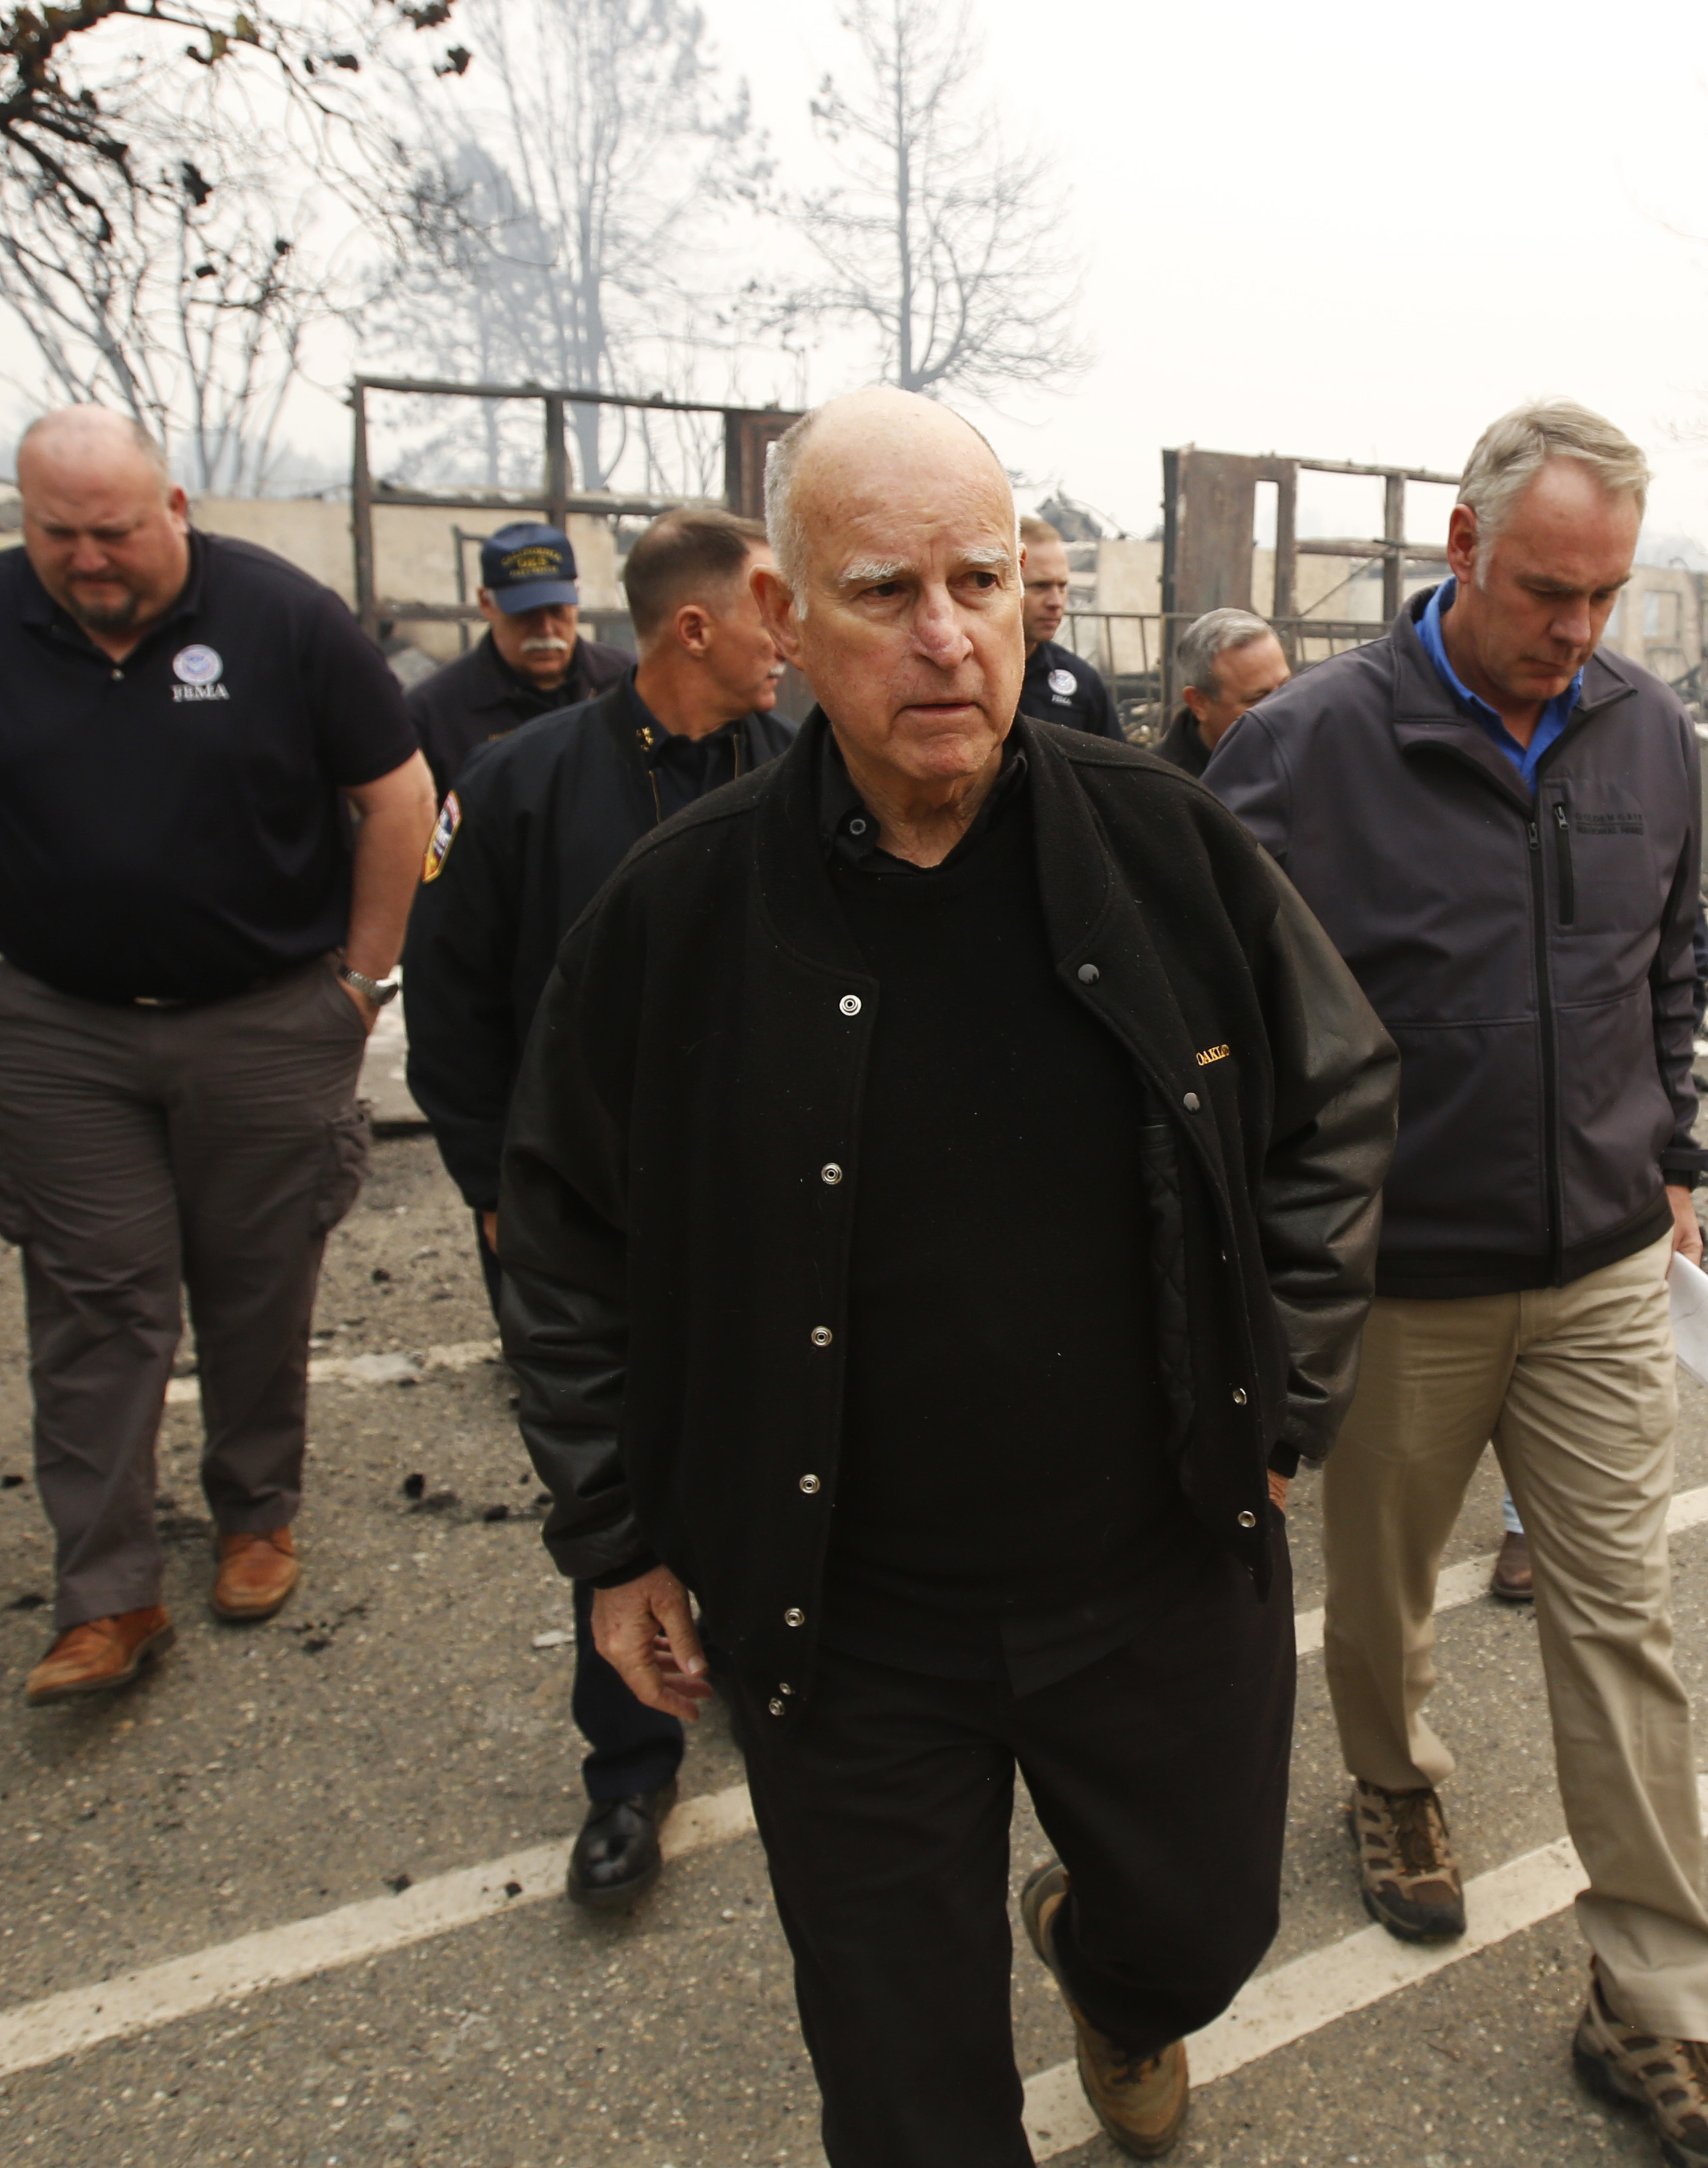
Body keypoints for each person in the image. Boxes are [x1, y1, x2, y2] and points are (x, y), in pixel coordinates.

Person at [495, 387, 1396, 2167]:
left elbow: (1339, 1098)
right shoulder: (680, 909)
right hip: (847, 1611)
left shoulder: (1164, 847)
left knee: (1201, 1936)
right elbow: (562, 1224)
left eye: (979, 580)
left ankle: (1094, 1952)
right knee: (907, 2099)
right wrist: (617, 1529)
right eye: (882, 587)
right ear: (780, 613)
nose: (943, 634)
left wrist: (1280, 1395)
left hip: (1147, 1560)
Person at [1210, 399, 1708, 2168]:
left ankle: (1652, 2005)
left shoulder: (1649, 742)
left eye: (1604, 594)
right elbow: (1208, 1022)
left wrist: (1669, 1150)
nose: (1574, 630)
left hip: (1604, 1271)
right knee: (1377, 1593)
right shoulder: (1303, 754)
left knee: (1624, 1627)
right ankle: (1391, 1780)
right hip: (1402, 1282)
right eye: (1546, 588)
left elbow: (1671, 957)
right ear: (1459, 552)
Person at [0, 406, 434, 1707]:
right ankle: (105, 1592)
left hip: (264, 1015)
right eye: (56, 533)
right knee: (93, 1300)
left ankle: (255, 1511)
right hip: (59, 1024)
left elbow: (395, 790)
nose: (88, 558)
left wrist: (359, 978)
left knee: (256, 1279)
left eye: (113, 529)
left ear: (171, 507)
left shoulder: (283, 619)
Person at [404, 507, 791, 1910]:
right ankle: (629, 1770)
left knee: (765, 1452)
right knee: (615, 1483)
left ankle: (749, 1664)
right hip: (586, 1219)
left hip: (761, 1215)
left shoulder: (800, 772)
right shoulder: (519, 784)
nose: (790, 639)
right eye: (771, 611)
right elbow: (445, 1007)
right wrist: (492, 1193)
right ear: (696, 626)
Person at [406, 520, 634, 793]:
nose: (546, 630)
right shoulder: (434, 715)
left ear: (577, 597)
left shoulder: (629, 684)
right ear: (486, 604)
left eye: (557, 610)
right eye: (526, 614)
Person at [1016, 513, 1124, 740]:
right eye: (1040, 586)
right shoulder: (965, 675)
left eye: (1063, 586)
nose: (1056, 602)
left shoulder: (1082, 683)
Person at [1157, 607, 1292, 775]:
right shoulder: (1158, 787)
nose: (1282, 708)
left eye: (1286, 687)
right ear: (1199, 703)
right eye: (1258, 698)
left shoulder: (1313, 751)